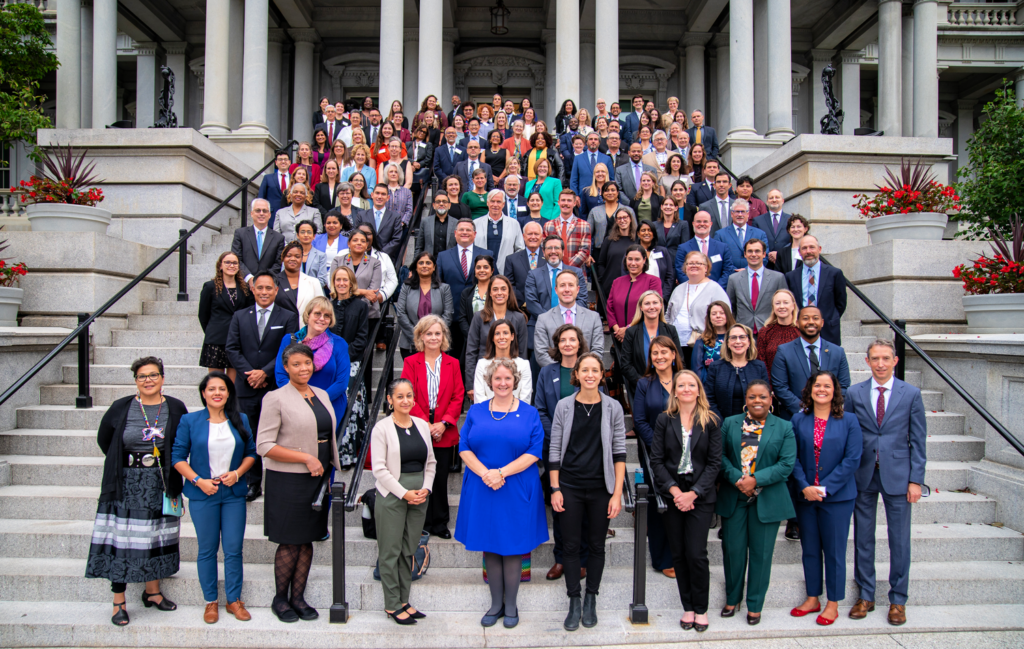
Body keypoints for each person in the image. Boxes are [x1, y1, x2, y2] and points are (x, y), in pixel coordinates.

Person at [86, 357, 187, 626]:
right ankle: (118, 601)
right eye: (142, 376)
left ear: (163, 378)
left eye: (154, 375)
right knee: (121, 541)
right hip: (125, 483)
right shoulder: (122, 407)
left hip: (161, 482)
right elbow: (104, 439)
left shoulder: (176, 407)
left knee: (154, 537)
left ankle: (152, 593)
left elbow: (183, 441)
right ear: (135, 381)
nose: (148, 380)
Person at [456, 359, 548, 628]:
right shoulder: (476, 412)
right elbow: (463, 446)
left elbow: (534, 451)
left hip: (516, 488)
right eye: (498, 379)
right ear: (490, 382)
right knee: (491, 546)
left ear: (515, 381)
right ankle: (495, 604)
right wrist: (487, 473)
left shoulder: (530, 413)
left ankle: (511, 606)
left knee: (513, 546)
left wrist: (501, 473)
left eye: (508, 378)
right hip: (483, 487)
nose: (503, 383)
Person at [844, 339, 927, 626]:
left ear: (895, 361)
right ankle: (866, 594)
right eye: (875, 358)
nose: (880, 363)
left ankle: (898, 599)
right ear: (866, 361)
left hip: (899, 476)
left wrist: (916, 480)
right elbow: (849, 434)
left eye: (885, 358)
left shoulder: (911, 394)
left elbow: (917, 440)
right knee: (863, 537)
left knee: (899, 540)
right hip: (863, 474)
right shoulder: (854, 393)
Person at [257, 344, 340, 623]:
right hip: (288, 479)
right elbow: (264, 445)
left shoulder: (322, 394)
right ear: (286, 367)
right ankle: (280, 599)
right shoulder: (275, 398)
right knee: (290, 541)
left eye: (307, 363)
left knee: (307, 539)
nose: (303, 368)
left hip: (317, 477)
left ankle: (298, 597)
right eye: (296, 364)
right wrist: (305, 457)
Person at [548, 353, 626, 631]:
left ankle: (591, 596)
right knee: (569, 546)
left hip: (600, 488)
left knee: (596, 546)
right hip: (569, 486)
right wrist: (555, 487)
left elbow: (619, 453)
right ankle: (574, 599)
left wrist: (616, 494)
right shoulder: (564, 406)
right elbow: (555, 449)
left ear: (602, 374)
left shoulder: (614, 407)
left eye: (596, 370)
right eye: (585, 370)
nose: (590, 374)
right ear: (577, 374)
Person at [172, 373, 257, 623]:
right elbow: (177, 457)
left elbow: (251, 453)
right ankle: (211, 601)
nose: (217, 393)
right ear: (203, 394)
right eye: (212, 389)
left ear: (229, 393)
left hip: (232, 494)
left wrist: (237, 473)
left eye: (222, 388)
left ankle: (234, 600)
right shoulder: (190, 421)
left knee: (233, 549)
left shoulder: (240, 419)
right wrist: (199, 481)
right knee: (207, 550)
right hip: (203, 494)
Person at [717, 380, 796, 625]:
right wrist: (738, 479)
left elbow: (786, 465)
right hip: (735, 495)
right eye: (752, 397)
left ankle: (755, 604)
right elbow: (718, 456)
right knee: (733, 551)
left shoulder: (784, 427)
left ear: (771, 398)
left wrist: (755, 480)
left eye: (762, 397)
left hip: (767, 498)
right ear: (746, 399)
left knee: (761, 555)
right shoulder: (730, 423)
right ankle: (732, 598)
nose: (757, 401)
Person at [651, 369, 722, 632]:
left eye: (691, 385)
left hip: (700, 495)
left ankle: (701, 609)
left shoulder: (711, 420)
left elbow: (715, 463)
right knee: (679, 554)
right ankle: (688, 608)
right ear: (675, 391)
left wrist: (693, 493)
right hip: (673, 494)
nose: (686, 389)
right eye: (681, 385)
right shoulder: (664, 420)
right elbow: (656, 460)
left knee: (696, 553)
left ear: (698, 389)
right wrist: (674, 491)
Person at [789, 370, 863, 626]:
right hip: (806, 496)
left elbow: (852, 459)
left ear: (835, 391)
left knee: (834, 551)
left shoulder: (850, 421)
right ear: (809, 390)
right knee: (809, 549)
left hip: (838, 498)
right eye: (817, 385)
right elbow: (792, 457)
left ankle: (833, 602)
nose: (822, 389)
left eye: (827, 386)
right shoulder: (798, 420)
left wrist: (825, 487)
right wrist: (804, 486)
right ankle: (812, 598)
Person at [225, 272, 300, 501]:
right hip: (246, 386)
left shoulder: (288, 316)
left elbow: (287, 350)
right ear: (253, 290)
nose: (264, 292)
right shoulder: (239, 316)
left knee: (278, 435)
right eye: (260, 288)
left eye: (269, 288)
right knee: (248, 434)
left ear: (276, 290)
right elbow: (232, 348)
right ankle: (253, 482)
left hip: (273, 387)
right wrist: (250, 373)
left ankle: (279, 482)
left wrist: (265, 372)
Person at [369, 378, 437, 625]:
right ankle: (391, 604)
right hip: (392, 496)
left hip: (420, 495)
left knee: (408, 550)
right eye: (399, 396)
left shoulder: (421, 424)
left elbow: (431, 462)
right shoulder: (382, 428)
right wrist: (403, 493)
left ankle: (405, 601)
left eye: (409, 395)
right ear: (390, 400)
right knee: (390, 551)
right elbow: (379, 469)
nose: (405, 400)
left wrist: (426, 488)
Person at [534, 324, 591, 580]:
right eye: (563, 340)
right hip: (555, 448)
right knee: (559, 504)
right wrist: (557, 436)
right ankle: (560, 559)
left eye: (573, 339)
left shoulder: (588, 369)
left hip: (585, 449)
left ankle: (582, 559)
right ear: (557, 345)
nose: (568, 344)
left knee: (585, 508)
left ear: (580, 343)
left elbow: (594, 407)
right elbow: (540, 409)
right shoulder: (547, 372)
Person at [401, 316, 465, 540]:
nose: (433, 337)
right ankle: (423, 522)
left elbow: (458, 397)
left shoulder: (453, 363)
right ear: (420, 336)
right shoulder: (411, 362)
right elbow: (406, 395)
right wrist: (425, 425)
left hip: (444, 431)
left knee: (440, 478)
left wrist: (444, 423)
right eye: (428, 333)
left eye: (437, 333)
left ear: (444, 337)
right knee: (419, 477)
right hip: (418, 428)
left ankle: (440, 523)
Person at [632, 336, 686, 579]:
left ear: (674, 355)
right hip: (655, 455)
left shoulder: (686, 381)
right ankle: (662, 558)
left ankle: (682, 555)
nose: (660, 356)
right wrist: (659, 449)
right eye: (655, 353)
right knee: (658, 505)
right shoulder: (645, 384)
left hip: (686, 453)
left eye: (665, 352)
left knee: (681, 503)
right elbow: (640, 420)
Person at [274, 297, 351, 430]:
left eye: (327, 316)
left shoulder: (339, 344)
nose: (322, 318)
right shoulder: (289, 341)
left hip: (329, 405)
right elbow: (281, 374)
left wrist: (316, 401)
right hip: (295, 405)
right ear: (308, 315)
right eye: (317, 314)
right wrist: (300, 399)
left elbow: (342, 382)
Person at [771, 306, 852, 419]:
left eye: (815, 318)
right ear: (797, 323)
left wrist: (826, 408)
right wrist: (803, 409)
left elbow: (844, 385)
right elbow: (780, 387)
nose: (811, 322)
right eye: (805, 318)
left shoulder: (837, 352)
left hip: (829, 417)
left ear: (822, 322)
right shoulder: (784, 351)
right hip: (794, 418)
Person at [328, 266, 370, 466]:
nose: (342, 283)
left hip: (351, 364)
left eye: (345, 280)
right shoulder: (327, 305)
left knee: (351, 410)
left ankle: (349, 455)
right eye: (338, 280)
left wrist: (343, 357)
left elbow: (362, 339)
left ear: (351, 282)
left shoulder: (361, 306)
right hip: (327, 365)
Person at [435, 218, 493, 358]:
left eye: (468, 230)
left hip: (481, 318)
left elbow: (493, 284)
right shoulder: (443, 256)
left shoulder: (487, 254)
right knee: (454, 360)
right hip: (453, 318)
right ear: (455, 233)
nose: (465, 232)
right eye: (461, 230)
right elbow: (438, 286)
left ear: (475, 233)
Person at [465, 275, 528, 394]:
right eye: (495, 289)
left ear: (509, 292)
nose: (499, 292)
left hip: (511, 379)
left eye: (503, 289)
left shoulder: (519, 318)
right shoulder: (479, 317)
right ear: (489, 293)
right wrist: (470, 384)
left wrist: (521, 382)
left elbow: (522, 353)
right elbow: (471, 352)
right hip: (483, 376)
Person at [198, 252, 254, 383]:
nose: (231, 265)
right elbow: (203, 315)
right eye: (227, 262)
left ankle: (231, 404)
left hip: (237, 339)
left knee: (232, 384)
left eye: (234, 263)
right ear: (220, 266)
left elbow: (249, 312)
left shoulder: (245, 288)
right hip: (216, 340)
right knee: (215, 382)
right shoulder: (210, 287)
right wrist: (212, 331)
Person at [533, 269, 604, 367]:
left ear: (577, 289)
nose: (567, 289)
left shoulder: (593, 318)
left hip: (585, 376)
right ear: (556, 290)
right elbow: (541, 354)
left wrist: (581, 370)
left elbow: (597, 350)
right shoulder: (543, 319)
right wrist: (561, 371)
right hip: (555, 376)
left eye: (571, 285)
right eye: (562, 285)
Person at [785, 235, 848, 345]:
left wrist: (828, 318)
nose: (808, 251)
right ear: (799, 252)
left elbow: (840, 303)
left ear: (819, 249)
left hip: (828, 330)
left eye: (812, 247)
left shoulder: (834, 274)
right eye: (804, 248)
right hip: (799, 331)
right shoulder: (791, 276)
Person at [621, 290, 682, 394]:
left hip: (669, 388)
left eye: (655, 303)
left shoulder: (670, 330)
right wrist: (643, 384)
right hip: (641, 388)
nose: (651, 307)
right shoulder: (631, 332)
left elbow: (680, 360)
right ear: (641, 307)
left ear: (661, 305)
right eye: (647, 303)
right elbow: (626, 364)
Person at [704, 323, 770, 420]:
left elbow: (765, 398)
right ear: (727, 343)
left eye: (742, 337)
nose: (738, 341)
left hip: (754, 426)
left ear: (749, 342)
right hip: (722, 426)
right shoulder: (716, 367)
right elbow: (709, 399)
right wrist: (722, 424)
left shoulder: (759, 367)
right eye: (733, 338)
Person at [396, 252, 454, 358]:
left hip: (436, 343)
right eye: (421, 263)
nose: (424, 266)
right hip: (410, 344)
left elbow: (448, 314)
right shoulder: (406, 287)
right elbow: (400, 313)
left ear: (434, 267)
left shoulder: (444, 288)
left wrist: (433, 335)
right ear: (416, 267)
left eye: (428, 263)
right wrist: (417, 337)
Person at [727, 239, 787, 334]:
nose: (753, 254)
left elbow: (785, 307)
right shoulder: (734, 279)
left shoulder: (778, 278)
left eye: (757, 251)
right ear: (745, 254)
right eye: (750, 251)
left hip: (770, 331)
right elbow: (731, 308)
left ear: (764, 254)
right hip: (743, 333)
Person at [608, 245, 662, 343]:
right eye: (630, 259)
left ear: (644, 260)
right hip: (619, 338)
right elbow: (610, 308)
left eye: (637, 259)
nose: (633, 263)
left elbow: (652, 308)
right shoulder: (617, 282)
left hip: (642, 336)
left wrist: (628, 329)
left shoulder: (653, 281)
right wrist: (618, 331)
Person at [473, 319, 533, 404]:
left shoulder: (524, 365)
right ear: (492, 338)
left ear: (512, 336)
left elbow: (525, 399)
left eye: (505, 333)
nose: (501, 337)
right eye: (497, 333)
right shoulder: (482, 364)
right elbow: (479, 398)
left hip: (516, 415)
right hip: (487, 415)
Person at [674, 211, 735, 290]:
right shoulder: (683, 248)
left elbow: (727, 270)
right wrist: (695, 288)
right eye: (698, 221)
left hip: (716, 292)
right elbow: (680, 272)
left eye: (705, 221)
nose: (702, 224)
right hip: (692, 291)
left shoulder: (723, 247)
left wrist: (716, 288)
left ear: (711, 224)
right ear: (693, 224)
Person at [232, 199, 286, 285]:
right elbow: (236, 259)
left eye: (264, 211)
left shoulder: (279, 238)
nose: (261, 213)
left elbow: (278, 263)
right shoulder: (240, 234)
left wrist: (263, 279)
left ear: (269, 215)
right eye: (258, 210)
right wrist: (249, 277)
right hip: (243, 285)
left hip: (267, 286)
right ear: (252, 214)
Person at [474, 189, 526, 270]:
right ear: (487, 203)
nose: (495, 204)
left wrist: (512, 266)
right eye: (492, 201)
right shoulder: (476, 223)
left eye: (498, 202)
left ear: (503, 204)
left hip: (506, 270)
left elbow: (520, 249)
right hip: (482, 271)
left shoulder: (514, 224)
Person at [713, 198, 769, 272]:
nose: (740, 214)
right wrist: (734, 270)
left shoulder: (760, 234)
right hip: (729, 277)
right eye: (737, 212)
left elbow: (764, 257)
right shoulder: (720, 234)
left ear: (748, 214)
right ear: (732, 214)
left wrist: (747, 270)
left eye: (743, 212)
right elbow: (717, 258)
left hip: (753, 275)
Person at [757, 289, 800, 383]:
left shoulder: (801, 331)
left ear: (793, 306)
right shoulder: (765, 332)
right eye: (777, 303)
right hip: (773, 386)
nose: (781, 306)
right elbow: (762, 362)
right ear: (773, 307)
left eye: (786, 303)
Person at [275, 241, 325, 322]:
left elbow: (322, 309)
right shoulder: (274, 281)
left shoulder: (313, 282)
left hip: (306, 329)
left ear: (302, 259)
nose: (293, 259)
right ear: (283, 258)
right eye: (289, 256)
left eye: (297, 256)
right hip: (281, 329)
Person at [588, 183, 635, 265]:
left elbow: (634, 231)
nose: (610, 193)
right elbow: (587, 235)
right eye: (606, 190)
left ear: (617, 193)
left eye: (613, 190)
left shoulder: (628, 210)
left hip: (623, 250)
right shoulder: (594, 211)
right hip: (599, 252)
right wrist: (587, 254)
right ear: (602, 194)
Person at [596, 207, 638, 297]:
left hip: (632, 285)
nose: (622, 220)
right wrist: (604, 279)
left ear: (630, 219)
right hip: (610, 285)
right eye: (619, 218)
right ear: (616, 221)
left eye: (625, 217)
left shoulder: (637, 240)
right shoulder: (609, 240)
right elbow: (601, 263)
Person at [690, 301, 735, 382]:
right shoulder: (702, 340)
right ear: (709, 318)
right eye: (714, 314)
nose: (718, 316)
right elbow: (697, 369)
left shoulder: (737, 338)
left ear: (728, 315)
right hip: (710, 386)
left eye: (722, 313)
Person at [458, 255, 497, 346]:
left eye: (486, 267)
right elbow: (462, 319)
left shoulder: (497, 292)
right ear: (475, 271)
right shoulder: (466, 293)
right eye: (478, 267)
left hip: (495, 340)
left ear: (492, 271)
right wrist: (473, 337)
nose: (482, 270)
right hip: (472, 341)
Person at [504, 220, 544, 307]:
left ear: (541, 236)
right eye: (529, 234)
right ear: (523, 236)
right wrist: (524, 302)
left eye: (536, 234)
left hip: (545, 307)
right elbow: (509, 285)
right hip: (521, 307)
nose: (533, 237)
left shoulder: (549, 258)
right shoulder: (511, 259)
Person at [637, 220, 675, 300]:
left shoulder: (663, 251)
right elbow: (626, 274)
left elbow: (669, 276)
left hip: (659, 297)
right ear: (638, 234)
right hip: (638, 297)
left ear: (653, 234)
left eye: (649, 230)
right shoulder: (632, 252)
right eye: (643, 230)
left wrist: (663, 296)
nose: (646, 233)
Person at [570, 132, 614, 198]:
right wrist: (575, 196)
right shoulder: (578, 158)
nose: (593, 141)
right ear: (586, 142)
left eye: (595, 139)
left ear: (599, 142)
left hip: (603, 196)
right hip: (583, 196)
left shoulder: (606, 158)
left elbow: (611, 179)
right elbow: (573, 180)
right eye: (591, 139)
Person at [415, 192, 458, 259]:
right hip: (430, 263)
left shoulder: (456, 223)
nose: (441, 204)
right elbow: (419, 247)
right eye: (438, 202)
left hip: (449, 262)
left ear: (449, 205)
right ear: (433, 205)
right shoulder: (425, 222)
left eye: (444, 202)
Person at [290, 220, 330, 287]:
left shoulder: (321, 255)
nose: (306, 235)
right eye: (302, 232)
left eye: (309, 232)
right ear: (297, 235)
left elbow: (322, 280)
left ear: (314, 236)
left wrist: (307, 288)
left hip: (314, 293)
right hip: (293, 291)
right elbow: (285, 275)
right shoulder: (290, 254)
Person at [697, 170, 734, 234]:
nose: (721, 185)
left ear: (730, 185)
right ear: (714, 185)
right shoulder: (705, 207)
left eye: (724, 182)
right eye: (718, 182)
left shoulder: (736, 205)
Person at [525, 157, 562, 221]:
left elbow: (558, 203)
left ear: (548, 169)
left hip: (547, 218)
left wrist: (552, 220)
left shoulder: (555, 182)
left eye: (545, 167)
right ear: (536, 168)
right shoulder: (528, 184)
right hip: (530, 218)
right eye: (540, 166)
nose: (542, 168)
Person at [258, 152, 293, 217]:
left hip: (290, 213)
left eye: (285, 159)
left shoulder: (294, 179)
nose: (283, 161)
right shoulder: (267, 178)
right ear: (276, 162)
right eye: (280, 159)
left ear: (289, 162)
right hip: (272, 214)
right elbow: (261, 197)